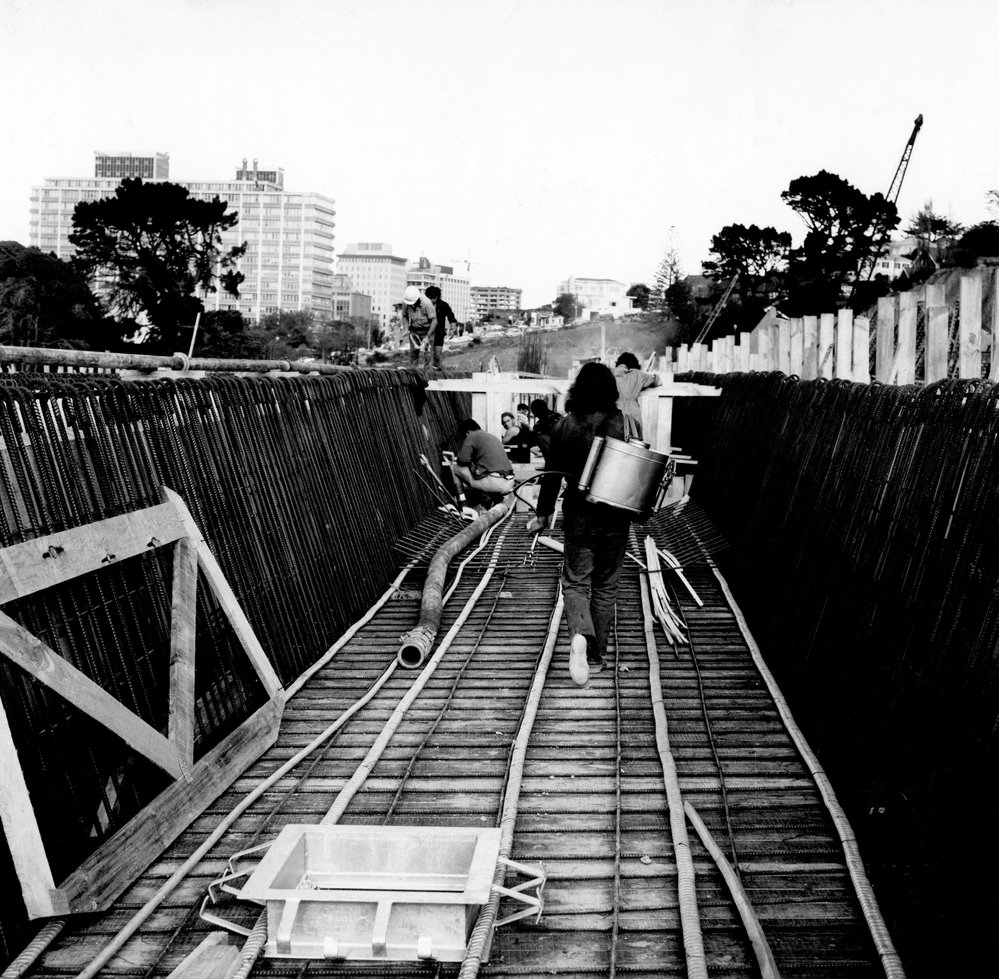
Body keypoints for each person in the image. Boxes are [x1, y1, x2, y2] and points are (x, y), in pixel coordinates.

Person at [526, 363, 630, 686]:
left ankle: (580, 637)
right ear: (611, 390)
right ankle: (596, 656)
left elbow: (551, 478)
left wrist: (543, 515)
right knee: (606, 585)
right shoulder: (626, 424)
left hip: (579, 517)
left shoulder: (563, 428)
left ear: (578, 390)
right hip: (615, 517)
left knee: (574, 583)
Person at [451, 418, 514, 505]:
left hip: (495, 483)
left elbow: (462, 460)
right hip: (509, 483)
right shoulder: (492, 437)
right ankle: (493, 501)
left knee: (454, 468)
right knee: (482, 473)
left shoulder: (471, 436)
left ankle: (462, 501)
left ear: (467, 432)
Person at [613, 352, 660, 439]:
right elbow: (658, 381)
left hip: (614, 414)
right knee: (635, 443)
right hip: (633, 415)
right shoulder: (638, 374)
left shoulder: (610, 373)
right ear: (635, 364)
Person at [401, 285, 437, 366]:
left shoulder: (426, 303)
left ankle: (428, 375)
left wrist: (427, 337)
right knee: (413, 354)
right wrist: (406, 329)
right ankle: (413, 375)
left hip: (427, 330)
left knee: (427, 354)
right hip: (414, 329)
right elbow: (405, 315)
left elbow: (434, 320)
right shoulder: (405, 302)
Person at [424, 285, 457, 369]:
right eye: (429, 298)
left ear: (437, 297)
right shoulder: (424, 305)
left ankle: (436, 371)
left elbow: (451, 318)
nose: (432, 300)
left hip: (439, 333)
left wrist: (452, 329)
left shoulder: (444, 305)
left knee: (437, 356)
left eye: (434, 298)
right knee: (428, 356)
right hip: (428, 333)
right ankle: (426, 374)